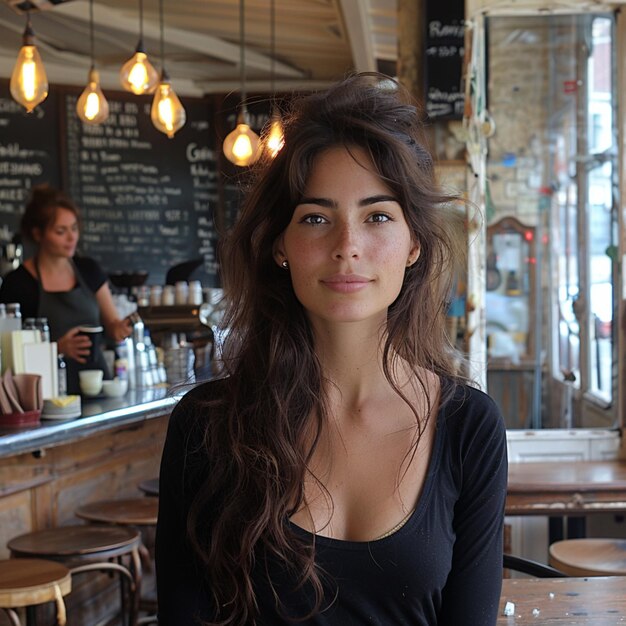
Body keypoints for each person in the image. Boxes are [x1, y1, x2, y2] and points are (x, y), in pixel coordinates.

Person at [156, 73, 507, 626]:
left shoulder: (468, 426)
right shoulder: (205, 427)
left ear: (413, 243)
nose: (347, 247)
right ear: (279, 245)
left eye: (378, 217)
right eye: (316, 218)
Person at [0, 185, 131, 393]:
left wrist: (121, 328)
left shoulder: (88, 270)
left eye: (74, 228)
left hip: (97, 385)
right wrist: (56, 349)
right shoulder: (17, 284)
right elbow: (9, 354)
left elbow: (112, 325)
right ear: (38, 234)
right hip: (46, 392)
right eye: (61, 231)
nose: (71, 238)